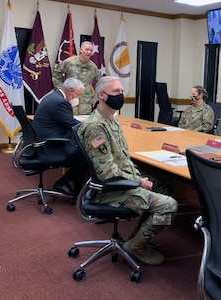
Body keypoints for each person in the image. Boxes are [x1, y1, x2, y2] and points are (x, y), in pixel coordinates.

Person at [77, 76, 178, 266]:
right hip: (111, 190)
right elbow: (106, 172)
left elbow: (121, 159)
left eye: (122, 91)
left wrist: (137, 177)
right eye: (116, 92)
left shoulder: (111, 120)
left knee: (164, 185)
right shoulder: (96, 127)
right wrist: (138, 182)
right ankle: (136, 247)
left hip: (124, 179)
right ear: (101, 95)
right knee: (169, 205)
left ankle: (134, 240)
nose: (121, 95)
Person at [33, 77, 88, 198]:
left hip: (43, 142)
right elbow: (73, 125)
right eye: (78, 95)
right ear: (71, 91)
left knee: (82, 148)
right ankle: (63, 183)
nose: (78, 98)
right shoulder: (60, 102)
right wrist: (92, 126)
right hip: (50, 146)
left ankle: (76, 188)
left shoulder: (53, 97)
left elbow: (67, 121)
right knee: (86, 154)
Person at [52, 41, 101, 115]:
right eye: (87, 49)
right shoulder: (69, 62)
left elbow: (101, 82)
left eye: (91, 50)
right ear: (81, 50)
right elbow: (56, 76)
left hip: (86, 104)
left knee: (83, 125)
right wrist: (62, 91)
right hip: (70, 101)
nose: (89, 52)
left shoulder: (93, 67)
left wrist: (96, 97)